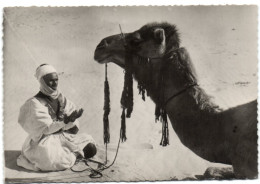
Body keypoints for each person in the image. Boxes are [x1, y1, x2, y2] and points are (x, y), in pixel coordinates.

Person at [17, 64, 97, 171]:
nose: (55, 83)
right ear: (42, 81)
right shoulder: (34, 103)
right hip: (45, 141)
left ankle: (72, 153)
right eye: (50, 80)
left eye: (56, 80)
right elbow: (47, 129)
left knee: (91, 146)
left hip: (62, 136)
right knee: (52, 160)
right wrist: (66, 120)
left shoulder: (61, 98)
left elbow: (69, 126)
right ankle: (75, 154)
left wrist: (72, 120)